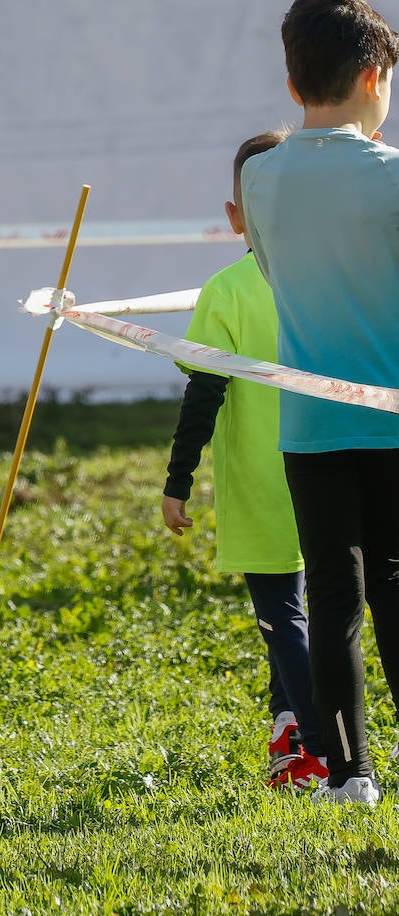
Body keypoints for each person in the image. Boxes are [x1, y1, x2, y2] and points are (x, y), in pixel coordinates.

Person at [240, 0, 399, 805]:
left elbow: (272, 273)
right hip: (393, 421)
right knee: (397, 587)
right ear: (375, 77)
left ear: (295, 77)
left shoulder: (258, 175)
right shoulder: (393, 172)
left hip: (308, 425)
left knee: (333, 598)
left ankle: (349, 774)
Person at [160, 130, 327, 791]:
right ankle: (289, 723)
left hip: (262, 483)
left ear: (234, 216)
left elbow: (203, 395)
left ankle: (318, 750)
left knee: (283, 616)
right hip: (334, 469)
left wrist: (178, 480)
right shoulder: (333, 283)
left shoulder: (226, 290)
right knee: (304, 610)